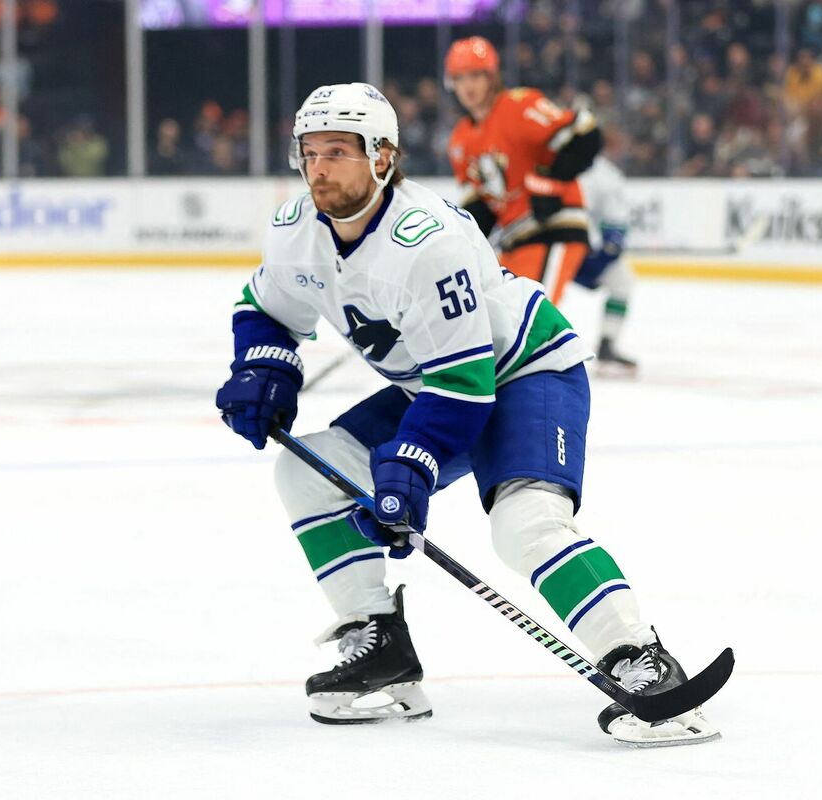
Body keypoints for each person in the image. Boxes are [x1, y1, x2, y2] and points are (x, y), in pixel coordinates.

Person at [214, 82, 721, 746]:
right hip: (436, 384)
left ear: (383, 156)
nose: (319, 168)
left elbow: (464, 383)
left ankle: (640, 658)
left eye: (338, 151)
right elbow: (266, 307)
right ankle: (380, 646)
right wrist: (263, 368)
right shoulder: (295, 232)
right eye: (309, 152)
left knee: (523, 525)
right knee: (305, 474)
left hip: (522, 371)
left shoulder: (429, 241)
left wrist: (411, 471)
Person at [444, 37, 601, 308]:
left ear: (492, 77)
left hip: (555, 228)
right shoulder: (459, 140)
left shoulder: (519, 106)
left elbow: (586, 133)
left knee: (528, 319)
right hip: (515, 239)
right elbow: (479, 206)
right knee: (496, 316)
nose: (467, 86)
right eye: (460, 78)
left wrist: (551, 182)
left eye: (475, 76)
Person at [574, 143, 639, 375]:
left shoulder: (605, 176)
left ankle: (607, 344)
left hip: (577, 250)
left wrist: (607, 251)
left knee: (622, 282)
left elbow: (614, 226)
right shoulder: (605, 175)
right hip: (562, 246)